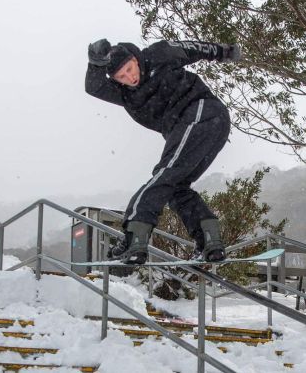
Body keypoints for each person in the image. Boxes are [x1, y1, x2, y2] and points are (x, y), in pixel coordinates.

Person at [85, 38, 241, 264]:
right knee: (175, 187)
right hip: (194, 128)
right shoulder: (123, 93)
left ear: (135, 60)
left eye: (129, 69)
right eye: (121, 77)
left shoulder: (157, 55)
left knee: (164, 175)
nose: (130, 78)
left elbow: (192, 49)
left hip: (201, 111)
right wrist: (95, 63)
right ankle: (209, 241)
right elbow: (94, 87)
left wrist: (223, 51)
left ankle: (134, 238)